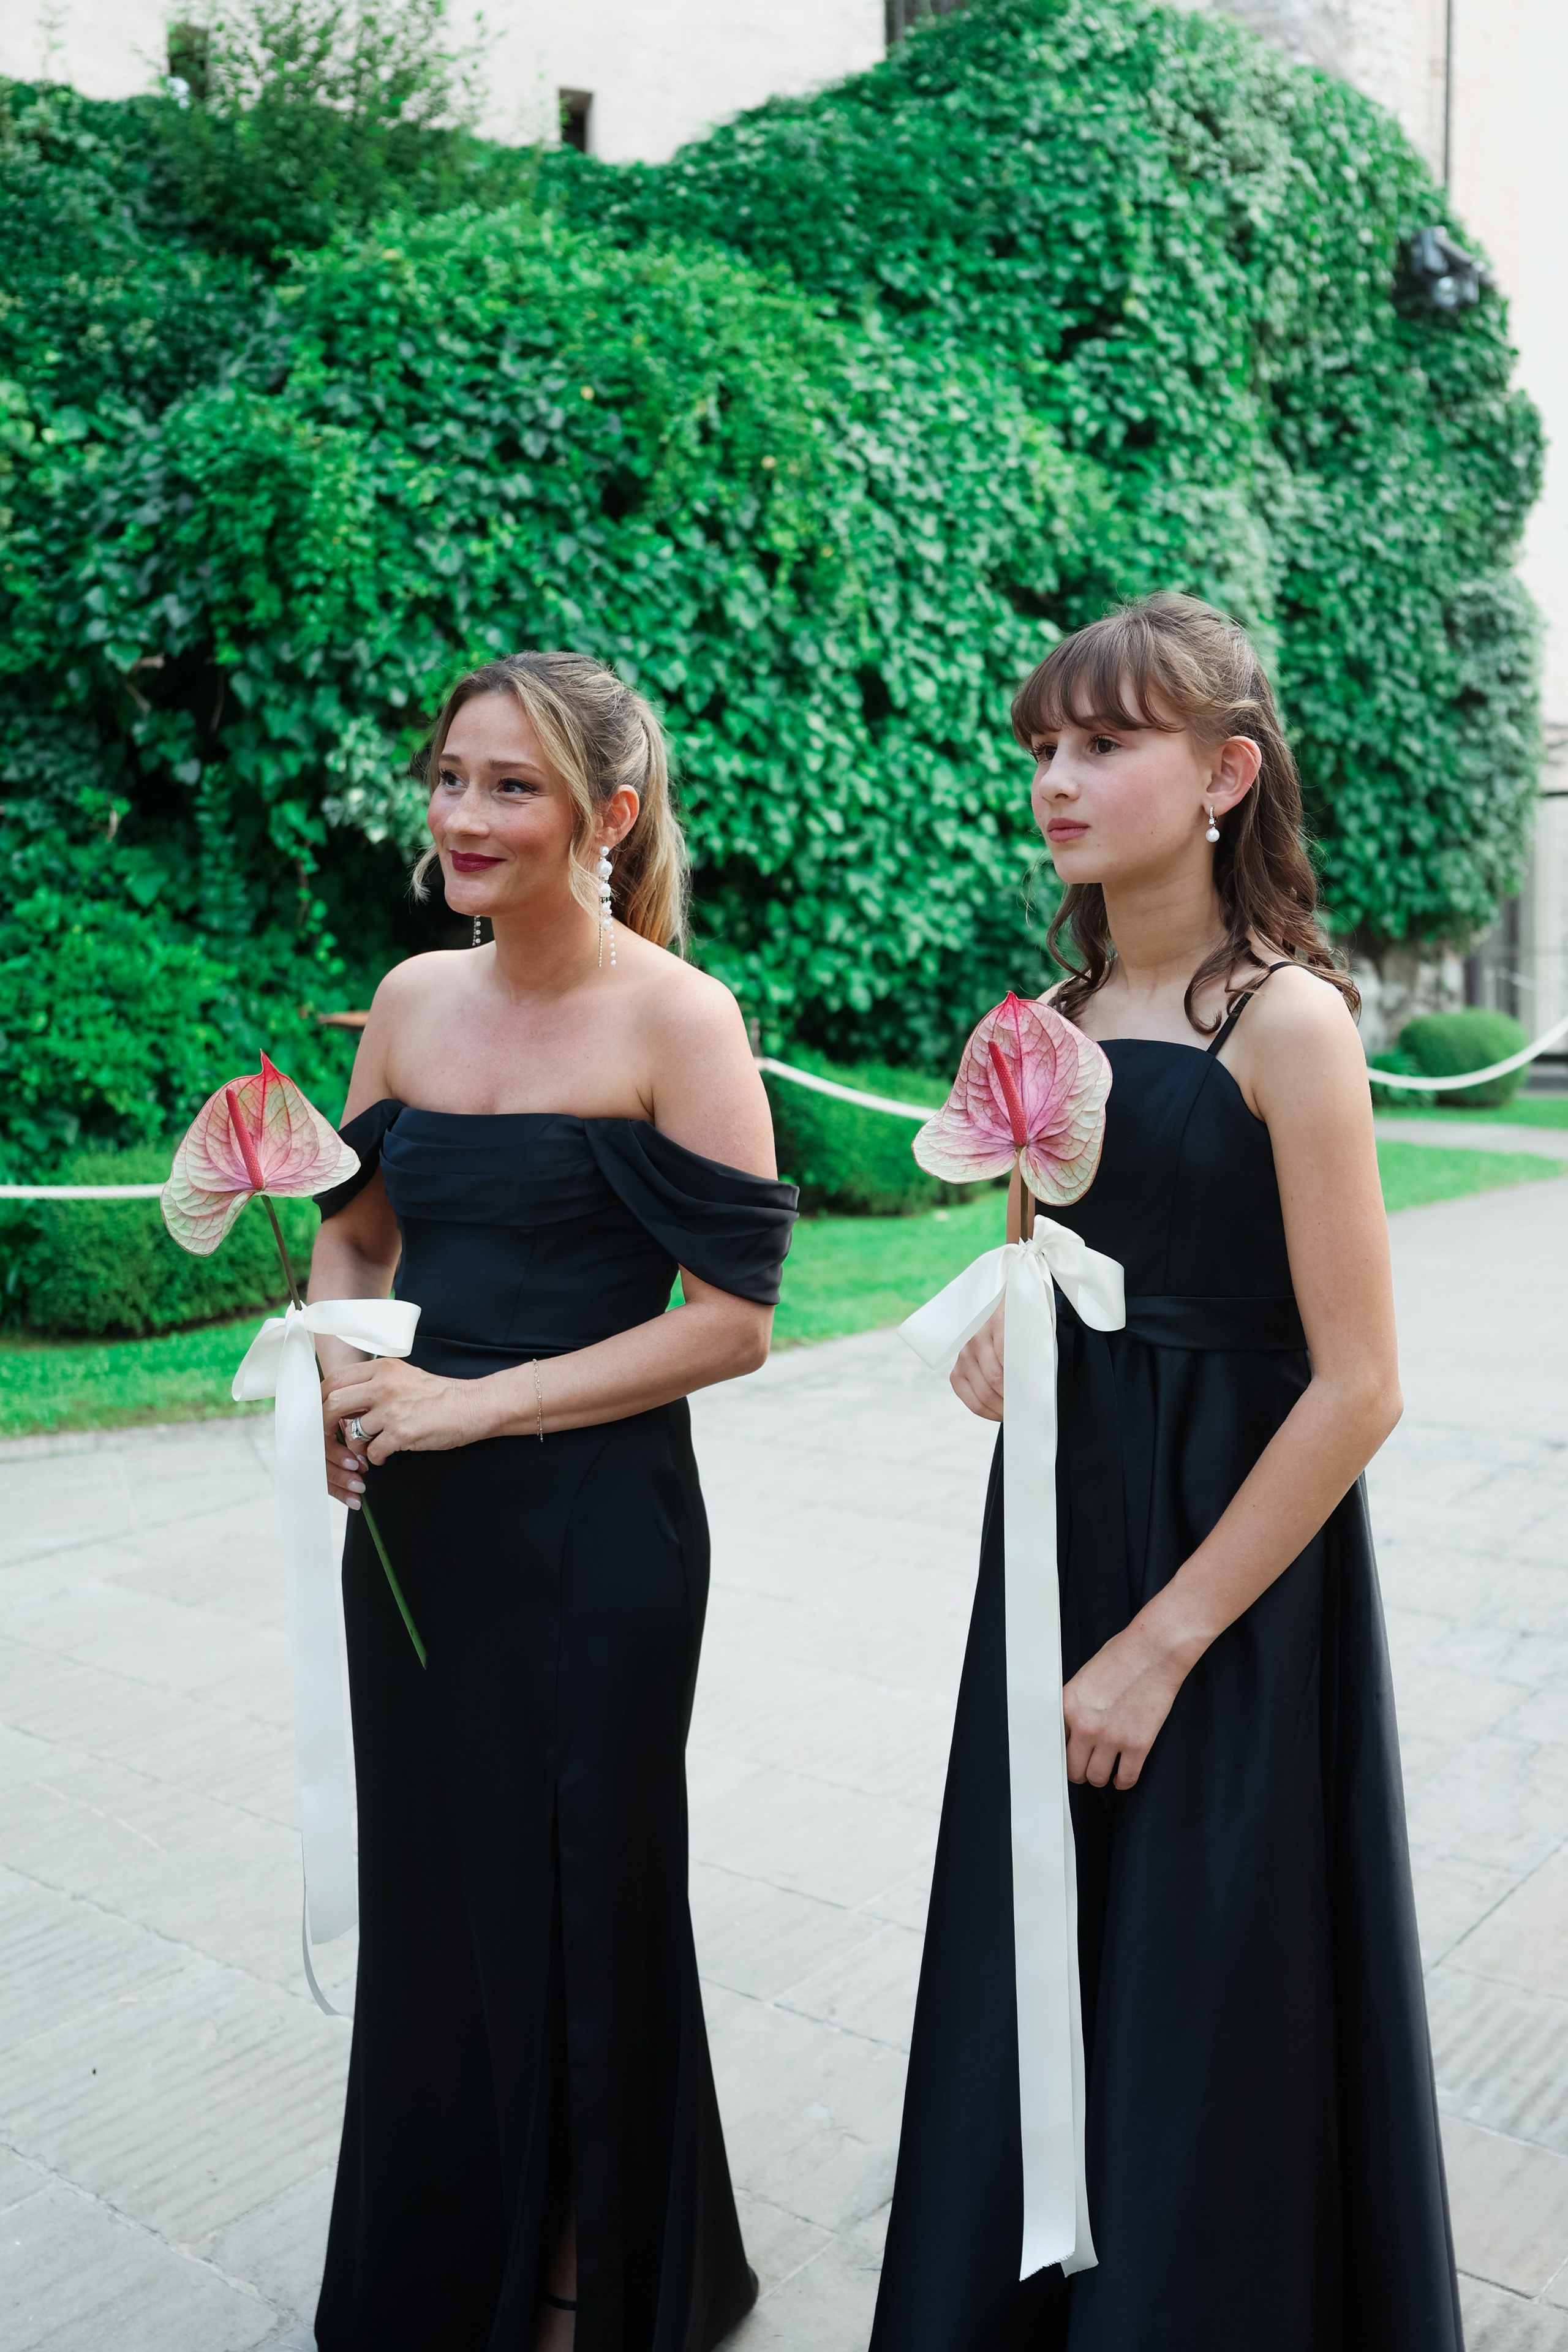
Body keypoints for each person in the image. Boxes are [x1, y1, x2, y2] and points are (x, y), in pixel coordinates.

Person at [870, 594, 1460, 2351]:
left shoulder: (1289, 1024)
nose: (1059, 775)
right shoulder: (1043, 1017)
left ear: (1226, 773)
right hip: (1056, 1526)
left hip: (1229, 1580)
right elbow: (1051, 1257)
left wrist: (1166, 1640)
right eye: (1045, 744)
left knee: (1209, 1967)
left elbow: (1361, 1387)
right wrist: (1001, 1334)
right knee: (1040, 1933)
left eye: (1105, 742)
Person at [304, 652, 796, 2352]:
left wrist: (474, 1404)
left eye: (510, 785)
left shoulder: (683, 1016)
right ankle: (447, 2265)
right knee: (440, 1888)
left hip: (599, 1537)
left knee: (585, 1891)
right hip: (417, 1533)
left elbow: (732, 1323)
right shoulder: (407, 1000)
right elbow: (358, 1230)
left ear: (611, 813)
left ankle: (602, 2268)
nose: (462, 815)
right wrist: (334, 1374)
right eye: (450, 776)